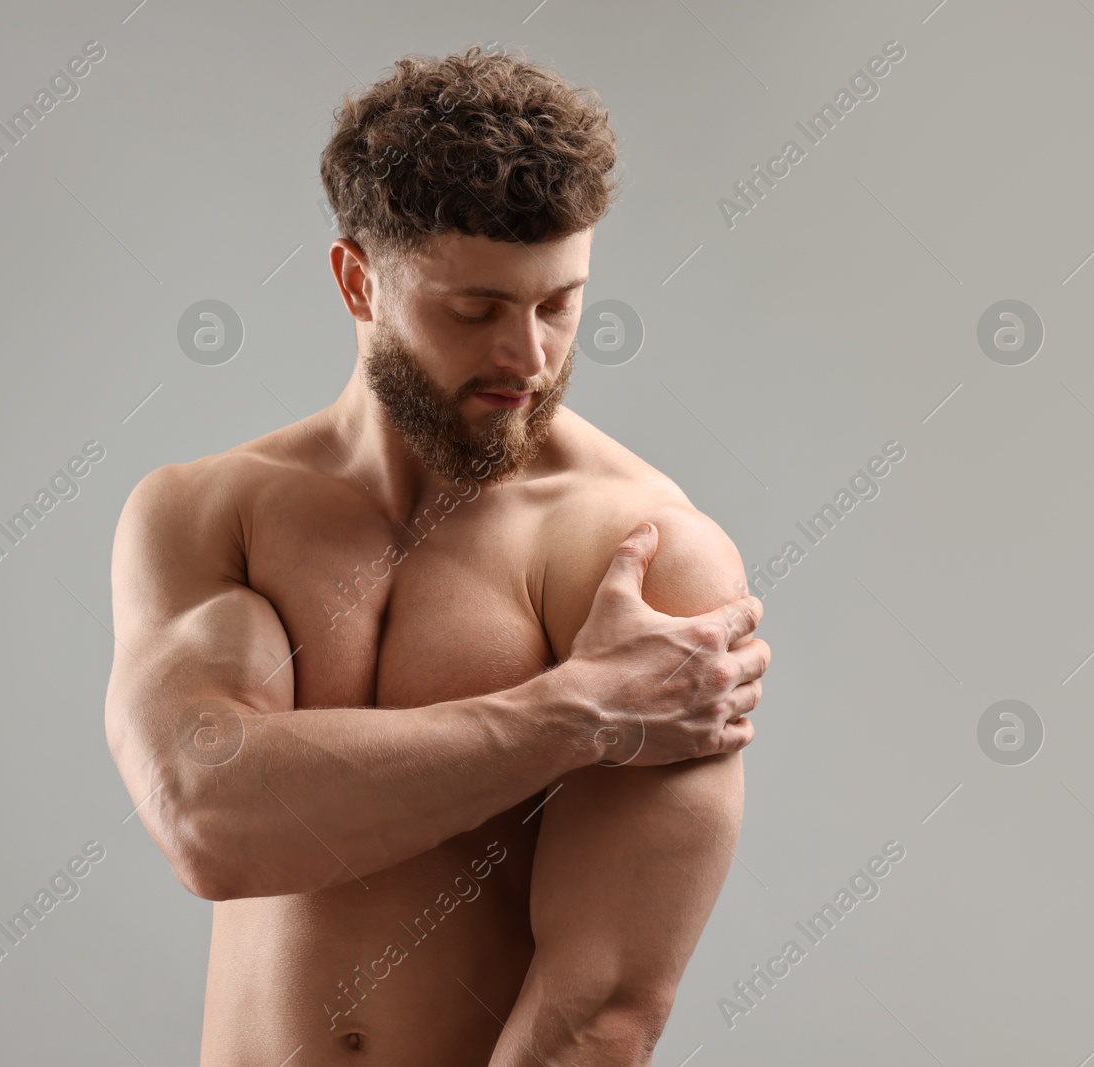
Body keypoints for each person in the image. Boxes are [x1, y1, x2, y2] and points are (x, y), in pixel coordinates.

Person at [104, 44, 771, 1066]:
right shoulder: (210, 512)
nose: (529, 357)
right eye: (475, 311)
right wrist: (576, 712)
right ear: (356, 280)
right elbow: (210, 817)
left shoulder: (636, 561)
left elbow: (602, 1009)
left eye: (559, 302)